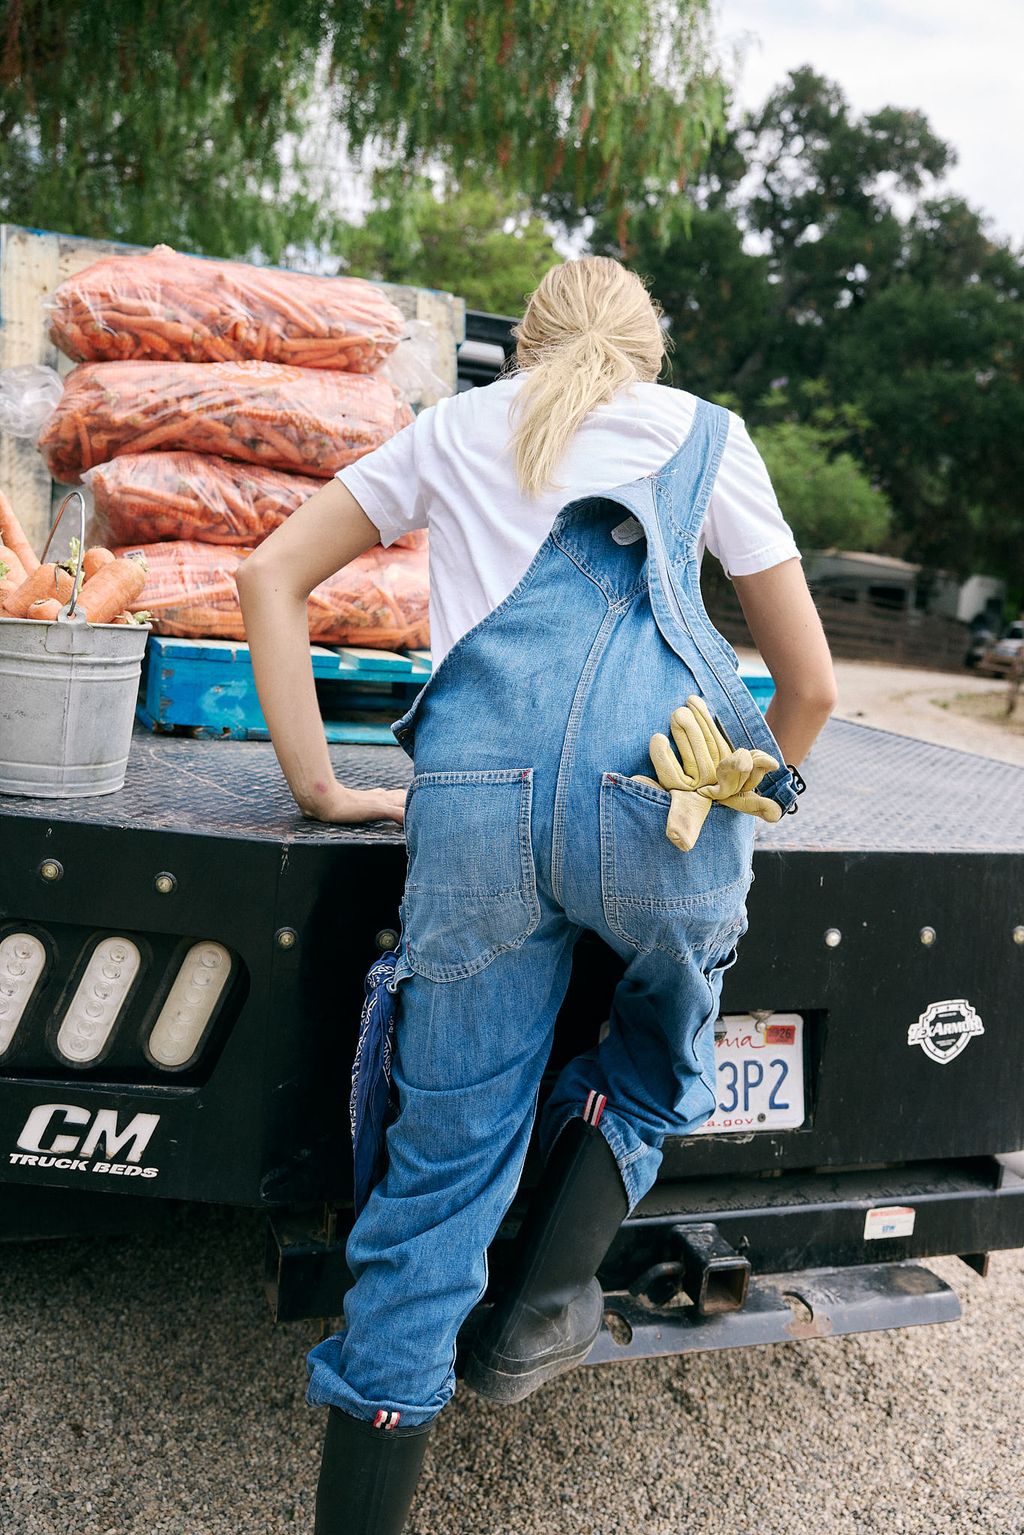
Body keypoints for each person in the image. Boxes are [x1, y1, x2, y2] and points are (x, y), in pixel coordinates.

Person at [236, 255, 837, 1533]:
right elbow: (811, 689)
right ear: (650, 352)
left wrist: (324, 786)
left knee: (439, 1164)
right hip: (660, 800)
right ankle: (533, 1313)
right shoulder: (709, 442)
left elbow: (269, 576)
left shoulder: (451, 427)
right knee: (661, 1053)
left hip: (474, 812)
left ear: (527, 346)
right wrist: (752, 795)